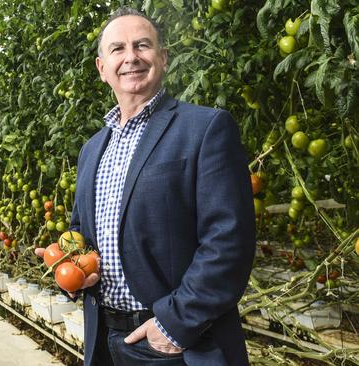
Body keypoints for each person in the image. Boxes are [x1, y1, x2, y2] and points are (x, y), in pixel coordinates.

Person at [36, 7, 255, 366]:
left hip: (178, 344)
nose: (131, 57)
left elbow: (229, 240)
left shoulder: (205, 128)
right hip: (104, 339)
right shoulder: (92, 150)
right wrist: (72, 265)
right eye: (117, 49)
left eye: (142, 45)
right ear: (102, 68)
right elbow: (82, 233)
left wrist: (172, 326)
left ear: (163, 58)